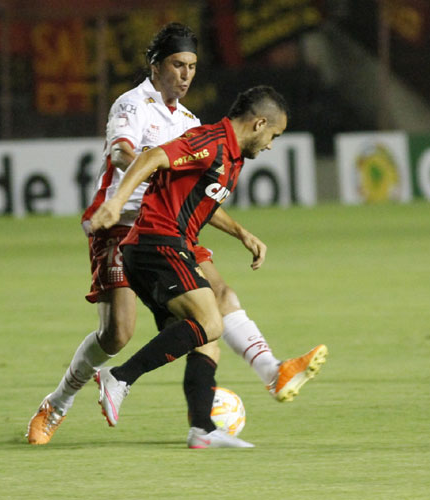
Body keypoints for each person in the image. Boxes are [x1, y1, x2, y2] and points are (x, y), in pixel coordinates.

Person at [27, 23, 324, 448]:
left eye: (192, 67)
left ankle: (234, 400)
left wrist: (241, 231)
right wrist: (159, 163)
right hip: (122, 221)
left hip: (170, 226)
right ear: (156, 65)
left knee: (215, 303)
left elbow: (199, 191)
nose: (185, 75)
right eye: (177, 65)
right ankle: (56, 404)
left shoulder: (190, 120)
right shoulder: (132, 105)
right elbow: (124, 152)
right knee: (118, 334)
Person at [91, 85, 327, 447]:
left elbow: (203, 200)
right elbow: (153, 157)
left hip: (173, 244)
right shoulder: (212, 141)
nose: (270, 146)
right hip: (157, 241)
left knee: (207, 334)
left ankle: (202, 428)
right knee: (210, 321)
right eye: (273, 136)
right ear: (258, 123)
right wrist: (116, 202)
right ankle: (119, 378)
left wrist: (242, 234)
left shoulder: (231, 156)